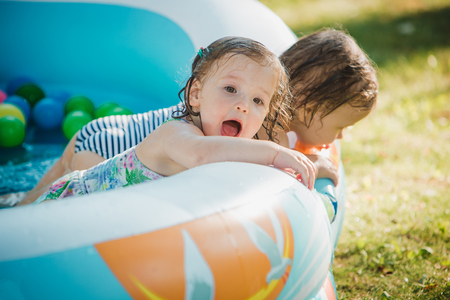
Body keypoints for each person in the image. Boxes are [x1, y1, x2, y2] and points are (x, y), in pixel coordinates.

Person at [13, 28, 378, 205]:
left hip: (103, 141)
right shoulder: (241, 134)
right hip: (108, 148)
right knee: (32, 216)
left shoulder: (244, 118)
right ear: (311, 104)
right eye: (341, 126)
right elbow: (204, 154)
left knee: (26, 202)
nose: (340, 137)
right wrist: (282, 156)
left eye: (257, 100)